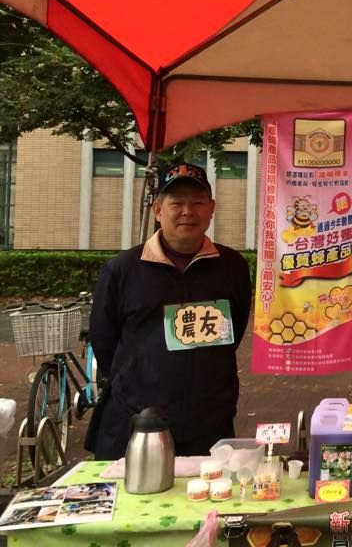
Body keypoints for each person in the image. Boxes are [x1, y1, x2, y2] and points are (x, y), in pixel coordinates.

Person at [88, 162, 252, 459]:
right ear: (158, 210)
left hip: (209, 422)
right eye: (176, 203)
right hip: (138, 424)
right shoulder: (124, 269)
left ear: (211, 209)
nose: (187, 211)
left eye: (197, 203)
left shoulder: (231, 266)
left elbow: (235, 329)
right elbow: (104, 339)